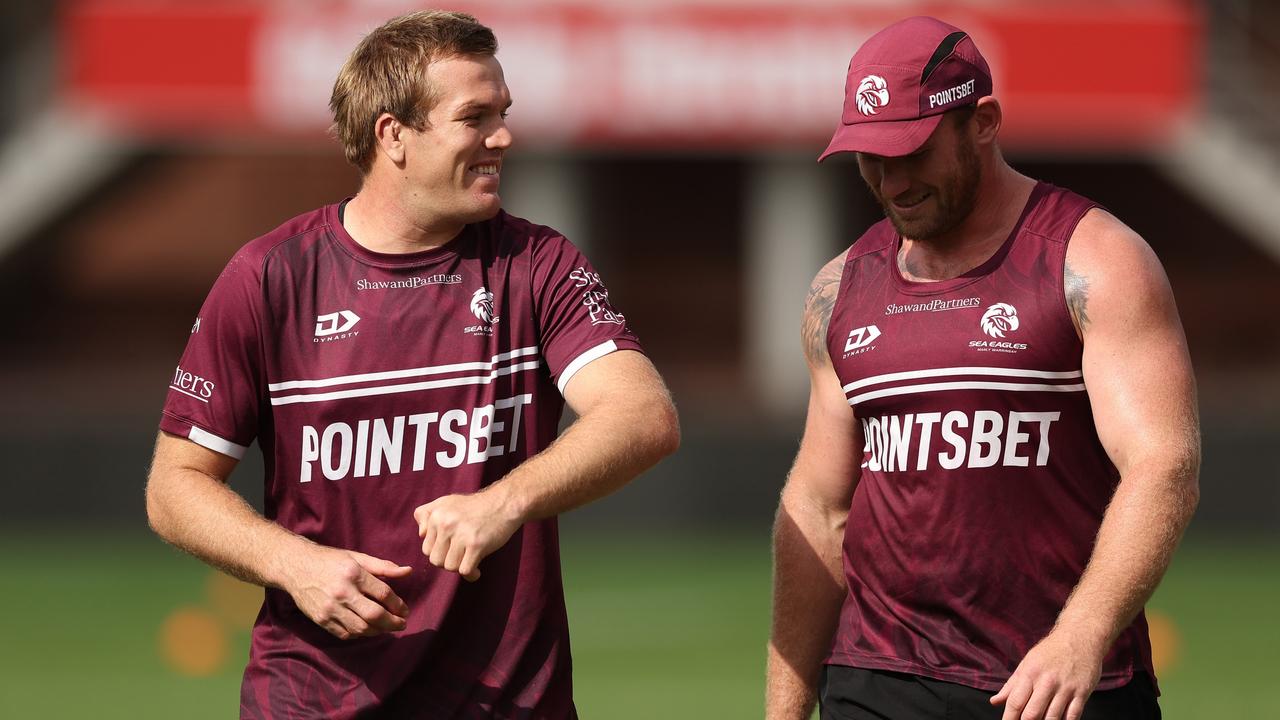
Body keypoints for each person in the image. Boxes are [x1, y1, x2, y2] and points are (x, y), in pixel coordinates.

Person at [145, 10, 679, 718]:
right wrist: (294, 566)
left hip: (508, 704)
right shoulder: (269, 277)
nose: (504, 137)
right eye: (475, 117)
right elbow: (174, 487)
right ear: (393, 135)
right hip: (314, 700)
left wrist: (504, 501)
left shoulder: (537, 264)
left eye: (504, 112)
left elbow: (643, 415)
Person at [767, 16, 1199, 720]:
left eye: (913, 151)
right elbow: (818, 509)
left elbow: (1163, 465)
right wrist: (784, 712)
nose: (892, 181)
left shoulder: (1095, 262)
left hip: (1058, 684)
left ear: (984, 122)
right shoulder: (838, 288)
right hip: (876, 679)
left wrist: (1081, 637)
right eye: (870, 157)